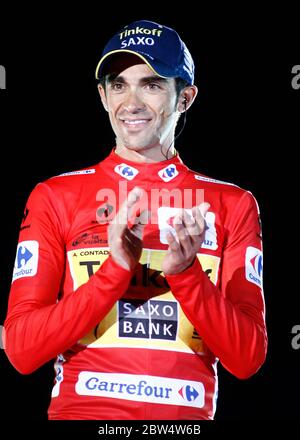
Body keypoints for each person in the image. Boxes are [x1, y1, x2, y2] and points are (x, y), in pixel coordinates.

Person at [4, 20, 267, 420]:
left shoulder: (232, 203)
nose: (131, 102)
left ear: (186, 98)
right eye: (118, 84)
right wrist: (114, 272)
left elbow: (247, 358)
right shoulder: (55, 196)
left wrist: (187, 275)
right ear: (103, 96)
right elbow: (21, 351)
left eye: (152, 84)